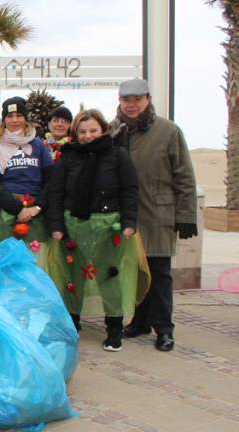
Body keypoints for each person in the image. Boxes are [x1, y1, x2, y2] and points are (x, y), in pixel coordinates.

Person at [47, 109, 146, 351]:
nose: (88, 136)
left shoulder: (118, 155)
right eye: (82, 131)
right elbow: (56, 192)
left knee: (109, 277)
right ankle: (72, 324)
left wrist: (129, 223)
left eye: (92, 130)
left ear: (103, 130)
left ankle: (114, 329)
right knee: (72, 278)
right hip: (73, 227)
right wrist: (56, 225)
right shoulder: (67, 157)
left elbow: (129, 190)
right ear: (75, 133)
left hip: (107, 227)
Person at [111, 79, 198, 352]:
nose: (132, 104)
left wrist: (186, 214)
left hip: (158, 214)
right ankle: (140, 322)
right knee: (135, 274)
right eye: (127, 100)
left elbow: (184, 176)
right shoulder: (114, 132)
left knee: (159, 274)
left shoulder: (168, 131)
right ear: (120, 101)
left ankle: (164, 329)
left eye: (137, 99)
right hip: (126, 216)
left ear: (148, 99)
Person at [0, 96, 53, 262]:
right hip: (5, 210)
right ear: (4, 120)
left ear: (25, 118)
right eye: (10, 116)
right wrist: (18, 209)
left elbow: (51, 180)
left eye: (19, 115)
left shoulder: (38, 145)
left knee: (36, 263)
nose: (14, 120)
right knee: (5, 263)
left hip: (35, 213)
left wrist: (38, 207)